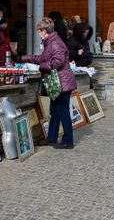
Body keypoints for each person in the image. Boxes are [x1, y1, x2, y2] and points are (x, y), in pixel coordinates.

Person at [22, 18, 77, 149]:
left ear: (44, 31)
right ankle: (51, 138)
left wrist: (39, 67)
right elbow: (43, 58)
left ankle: (68, 141)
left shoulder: (55, 43)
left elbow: (57, 63)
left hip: (61, 83)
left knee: (63, 112)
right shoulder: (50, 42)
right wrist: (26, 58)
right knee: (55, 111)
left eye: (39, 31)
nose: (38, 34)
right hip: (57, 82)